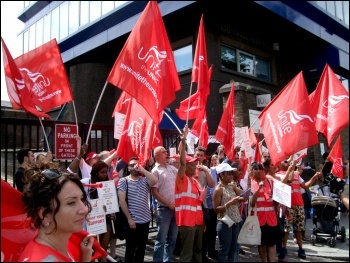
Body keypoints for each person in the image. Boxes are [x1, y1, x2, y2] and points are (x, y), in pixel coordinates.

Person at [18, 161, 95, 262]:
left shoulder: (56, 250)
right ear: (44, 214)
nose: (84, 209)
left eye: (82, 199)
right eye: (71, 203)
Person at [278, 157, 321, 260]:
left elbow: (305, 186)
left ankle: (301, 249)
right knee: (287, 228)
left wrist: (314, 178)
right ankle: (284, 248)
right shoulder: (279, 174)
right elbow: (288, 180)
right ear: (280, 164)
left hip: (299, 204)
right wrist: (291, 169)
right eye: (285, 161)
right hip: (287, 205)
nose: (287, 162)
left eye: (288, 161)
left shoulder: (297, 174)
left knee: (299, 228)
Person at [118, 157, 158, 262]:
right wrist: (129, 219)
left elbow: (154, 180)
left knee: (141, 248)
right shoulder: (124, 181)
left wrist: (143, 170)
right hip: (133, 221)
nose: (134, 167)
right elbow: (122, 201)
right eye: (132, 165)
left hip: (145, 220)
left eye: (136, 165)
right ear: (128, 167)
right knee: (131, 249)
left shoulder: (144, 180)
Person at [175, 125, 205, 262]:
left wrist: (202, 222)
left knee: (198, 251)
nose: (195, 166)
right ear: (186, 168)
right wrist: (183, 141)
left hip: (196, 221)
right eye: (192, 165)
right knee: (186, 255)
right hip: (186, 222)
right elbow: (182, 163)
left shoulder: (195, 181)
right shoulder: (182, 179)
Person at [213, 163, 246, 262]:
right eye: (229, 174)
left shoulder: (232, 186)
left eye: (231, 173)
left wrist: (249, 183)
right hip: (224, 222)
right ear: (221, 175)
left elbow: (246, 195)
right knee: (224, 251)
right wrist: (230, 203)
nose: (231, 175)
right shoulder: (218, 189)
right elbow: (216, 209)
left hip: (235, 221)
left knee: (233, 250)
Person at [151, 147, 179, 262]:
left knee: (172, 239)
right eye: (163, 152)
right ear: (157, 155)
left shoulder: (172, 168)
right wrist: (169, 203)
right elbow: (154, 192)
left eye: (166, 151)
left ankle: (168, 260)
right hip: (164, 209)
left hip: (176, 209)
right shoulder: (155, 171)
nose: (167, 153)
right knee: (161, 240)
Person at [250, 162, 279, 262]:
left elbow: (275, 199)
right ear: (252, 171)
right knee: (261, 244)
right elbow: (252, 202)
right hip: (259, 219)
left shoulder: (270, 182)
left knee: (271, 244)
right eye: (255, 169)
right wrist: (258, 188)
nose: (258, 171)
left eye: (260, 169)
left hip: (271, 219)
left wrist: (279, 201)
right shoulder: (251, 183)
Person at [89, 160, 116, 262]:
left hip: (107, 220)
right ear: (96, 173)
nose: (105, 174)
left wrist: (113, 212)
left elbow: (112, 202)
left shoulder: (108, 185)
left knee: (103, 248)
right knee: (92, 249)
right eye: (102, 172)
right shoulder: (89, 185)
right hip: (94, 221)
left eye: (106, 172)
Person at [193, 146, 215, 261]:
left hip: (202, 204)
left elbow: (211, 184)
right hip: (190, 204)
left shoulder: (206, 168)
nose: (199, 157)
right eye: (198, 155)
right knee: (191, 231)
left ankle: (202, 254)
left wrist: (206, 171)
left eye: (202, 155)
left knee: (204, 230)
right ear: (194, 154)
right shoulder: (189, 166)